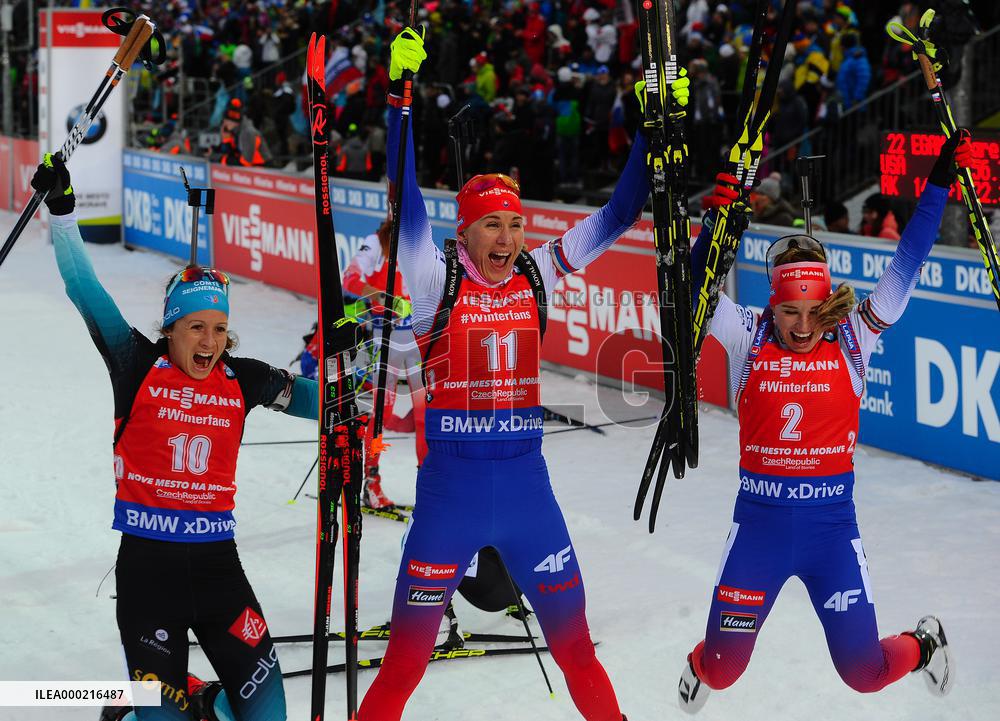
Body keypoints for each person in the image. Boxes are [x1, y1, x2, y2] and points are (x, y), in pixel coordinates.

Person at [355, 28, 688, 721]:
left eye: (514, 224)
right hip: (448, 503)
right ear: (463, 233)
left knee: (576, 651)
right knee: (404, 665)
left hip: (530, 501)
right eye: (491, 226)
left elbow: (621, 212)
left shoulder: (537, 272)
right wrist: (400, 99)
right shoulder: (432, 275)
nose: (506, 238)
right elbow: (404, 190)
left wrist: (653, 128)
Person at [675, 130, 973, 714]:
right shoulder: (748, 334)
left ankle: (925, 641)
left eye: (813, 311)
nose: (804, 326)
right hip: (757, 531)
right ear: (772, 303)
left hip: (830, 533)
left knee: (865, 673)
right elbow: (692, 290)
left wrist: (938, 182)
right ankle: (703, 660)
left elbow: (908, 262)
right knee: (720, 669)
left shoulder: (855, 337)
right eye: (790, 311)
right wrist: (717, 219)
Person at [31, 154, 318, 721]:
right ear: (170, 330)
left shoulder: (243, 378)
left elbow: (323, 402)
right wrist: (63, 210)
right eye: (195, 327)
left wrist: (375, 380)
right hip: (148, 577)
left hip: (219, 573)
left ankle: (208, 697)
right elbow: (86, 290)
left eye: (218, 328)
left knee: (269, 716)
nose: (209, 341)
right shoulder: (134, 363)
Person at [300, 217, 427, 509]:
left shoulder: (422, 248)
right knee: (379, 418)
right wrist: (379, 296)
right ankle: (371, 482)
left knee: (425, 417)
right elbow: (350, 279)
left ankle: (428, 488)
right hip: (386, 342)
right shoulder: (377, 244)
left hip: (417, 343)